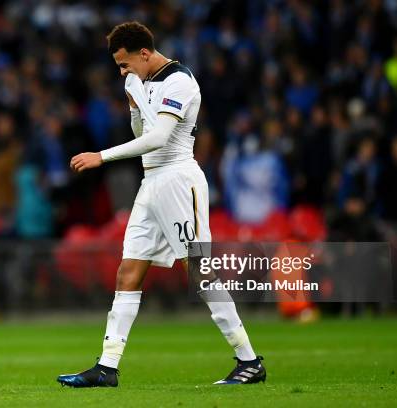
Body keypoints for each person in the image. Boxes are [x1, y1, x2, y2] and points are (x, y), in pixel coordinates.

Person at [57, 21, 265, 388]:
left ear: (144, 53)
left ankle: (249, 361)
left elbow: (160, 137)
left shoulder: (179, 81)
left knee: (199, 271)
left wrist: (101, 157)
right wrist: (135, 105)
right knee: (128, 270)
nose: (122, 72)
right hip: (150, 182)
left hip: (178, 179)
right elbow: (143, 132)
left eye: (124, 64)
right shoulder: (139, 81)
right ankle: (107, 367)